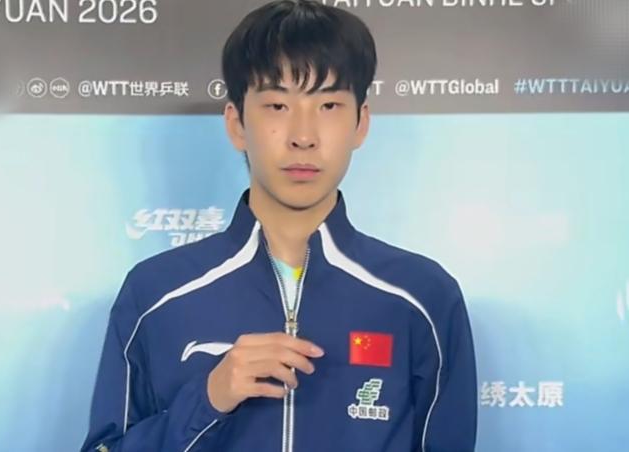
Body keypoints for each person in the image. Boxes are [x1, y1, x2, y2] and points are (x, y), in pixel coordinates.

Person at [81, 1, 477, 451]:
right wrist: (208, 399)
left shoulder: (422, 298)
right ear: (237, 124)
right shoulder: (155, 293)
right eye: (276, 105)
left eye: (329, 105)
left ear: (360, 124)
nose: (303, 136)